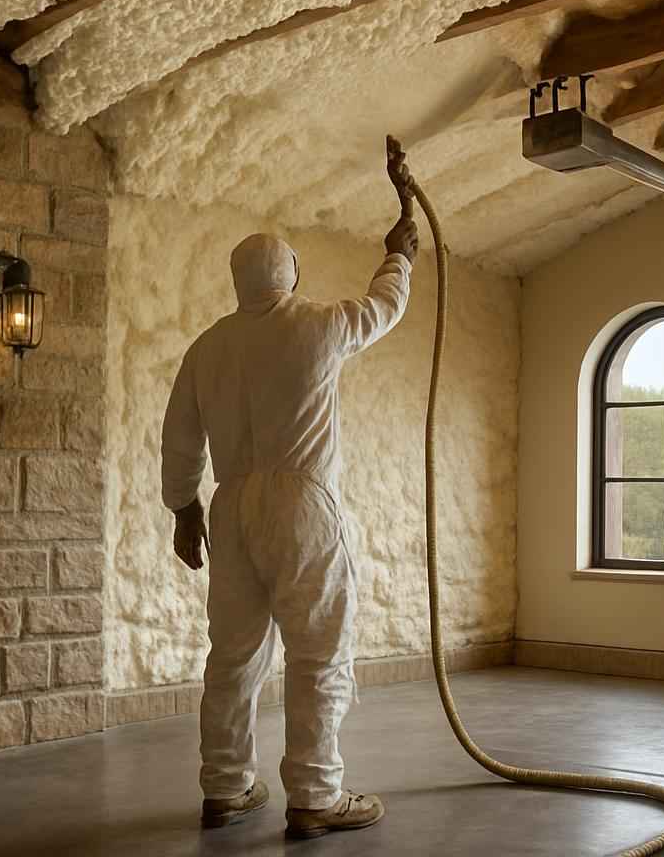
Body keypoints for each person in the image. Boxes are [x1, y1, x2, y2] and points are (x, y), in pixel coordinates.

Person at [161, 152, 420, 839]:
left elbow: (179, 435)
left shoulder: (206, 349)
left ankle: (226, 787)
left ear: (237, 281)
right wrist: (400, 255)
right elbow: (384, 308)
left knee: (234, 653)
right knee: (318, 650)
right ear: (291, 275)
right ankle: (315, 795)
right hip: (301, 505)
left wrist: (183, 509)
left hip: (230, 505)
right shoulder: (315, 323)